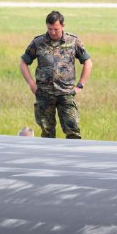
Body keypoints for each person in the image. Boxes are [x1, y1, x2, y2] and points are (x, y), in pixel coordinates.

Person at [19, 11, 92, 139]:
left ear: (63, 25)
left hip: (66, 93)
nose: (52, 32)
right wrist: (31, 84)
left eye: (56, 29)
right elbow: (23, 63)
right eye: (50, 29)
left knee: (72, 130)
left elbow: (87, 62)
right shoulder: (38, 42)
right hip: (44, 94)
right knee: (47, 132)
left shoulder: (73, 41)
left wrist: (80, 85)